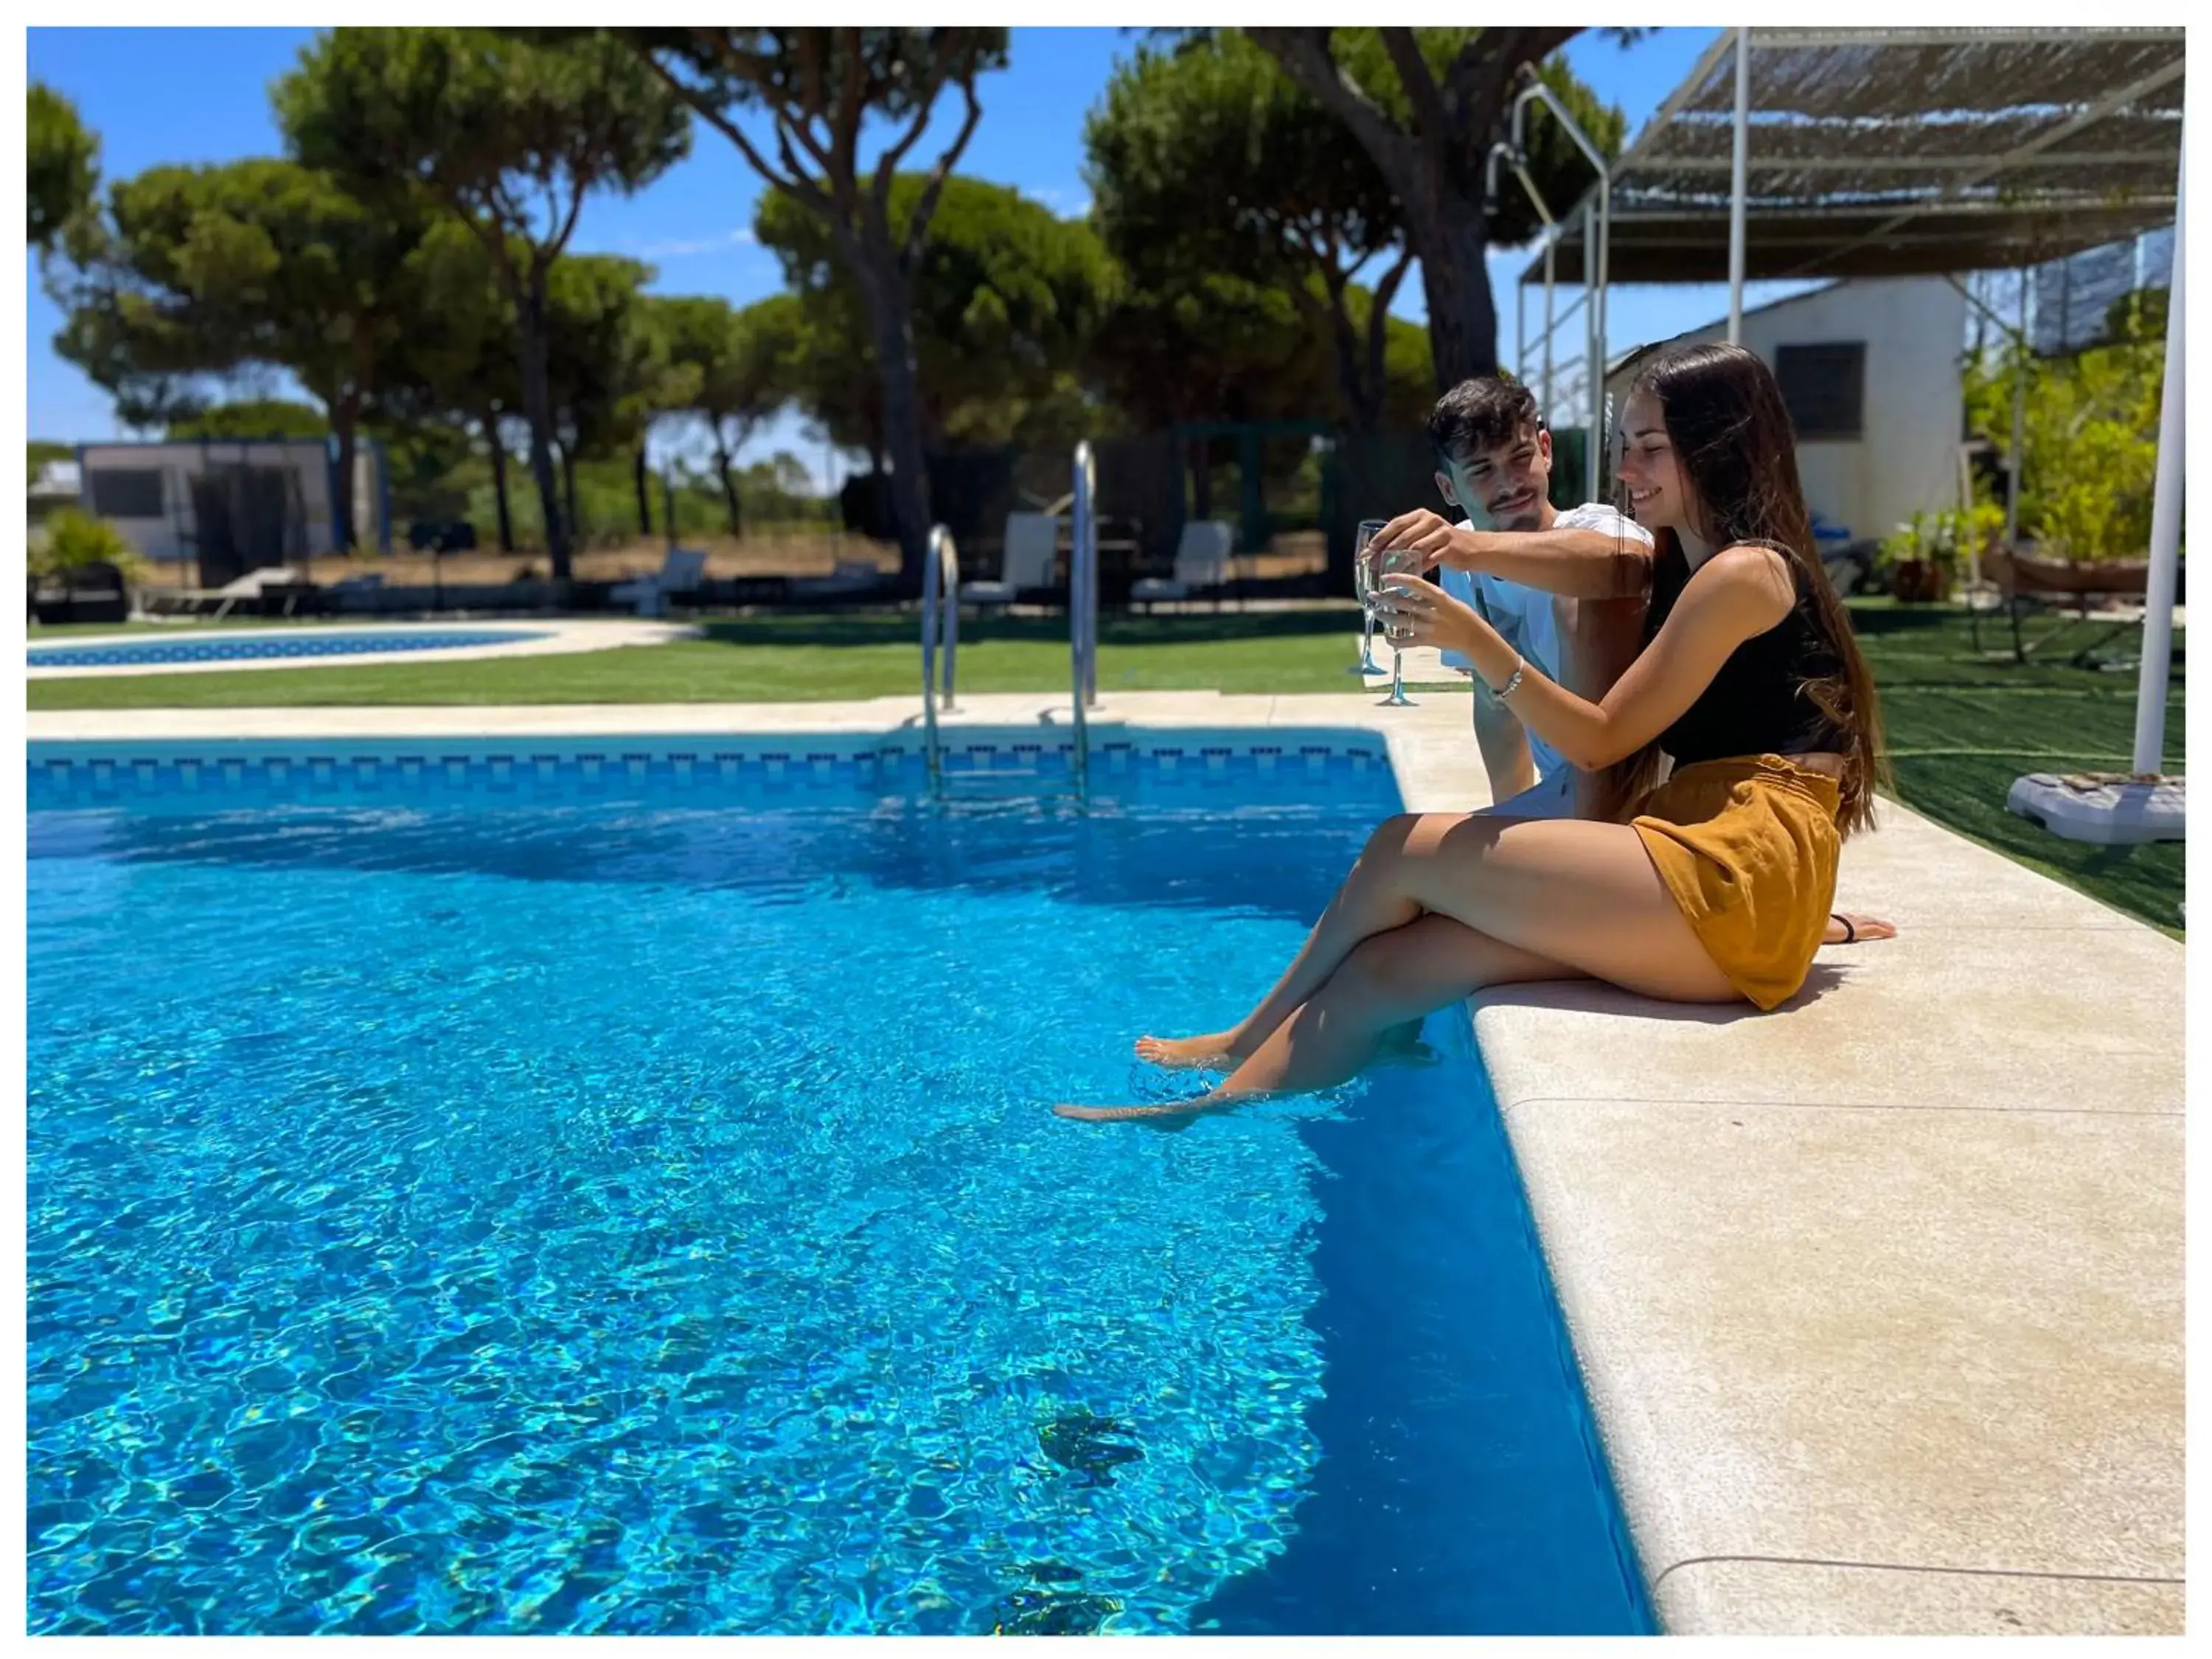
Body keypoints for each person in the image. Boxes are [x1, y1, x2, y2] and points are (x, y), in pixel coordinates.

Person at [1059, 341, 1890, 1122]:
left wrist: (1471, 639)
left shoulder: (1746, 572)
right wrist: (1461, 542)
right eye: (1623, 446)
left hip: (1736, 880)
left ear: (1717, 445)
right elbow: (1601, 566)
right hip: (1717, 870)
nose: (1626, 469)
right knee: (1391, 970)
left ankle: (1242, 1037)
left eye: (1648, 447)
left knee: (1402, 847)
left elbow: (1602, 742)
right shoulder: (1679, 563)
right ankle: (1223, 1113)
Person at [1412, 373, 1890, 950]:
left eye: (1518, 458)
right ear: (1449, 486)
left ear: (1544, 449)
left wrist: (1467, 550)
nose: (1509, 483)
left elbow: (1619, 562)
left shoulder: (1600, 532)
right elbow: (1494, 711)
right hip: (1595, 800)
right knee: (1414, 894)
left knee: (1412, 877)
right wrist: (1506, 817)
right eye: (1482, 471)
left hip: (1628, 806)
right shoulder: (1466, 565)